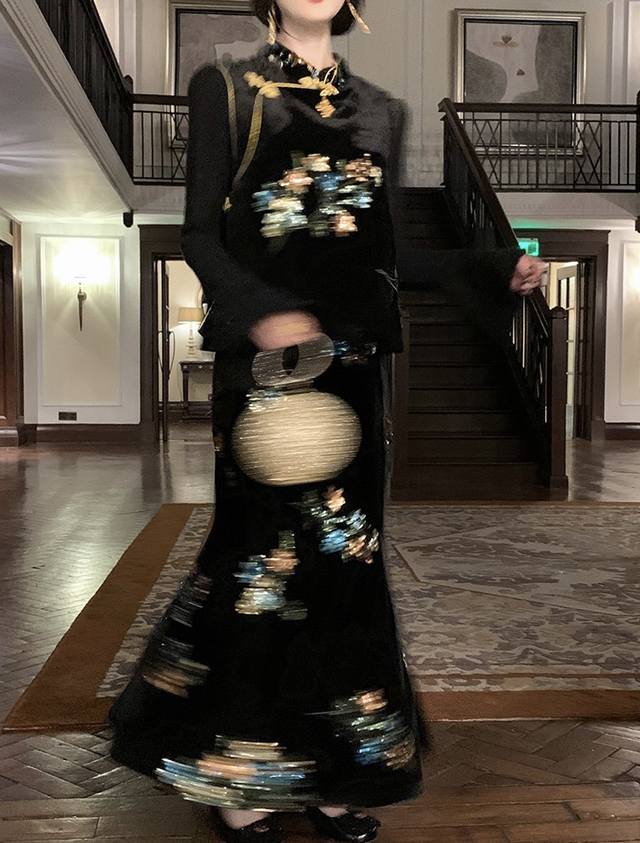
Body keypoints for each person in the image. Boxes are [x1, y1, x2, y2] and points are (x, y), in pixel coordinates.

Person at [109, 2, 545, 841]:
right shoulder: (224, 87)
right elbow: (200, 234)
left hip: (352, 371)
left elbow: (384, 256)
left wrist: (494, 265)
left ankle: (336, 772)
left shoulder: (381, 110)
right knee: (262, 565)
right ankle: (243, 771)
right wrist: (263, 312)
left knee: (345, 570)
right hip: (265, 367)